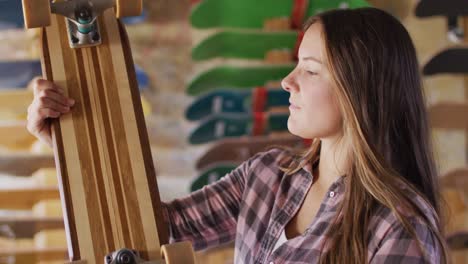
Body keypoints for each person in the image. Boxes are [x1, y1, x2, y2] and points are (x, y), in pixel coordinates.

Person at [26, 7, 449, 264]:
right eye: (296, 63)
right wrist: (71, 142)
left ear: (362, 91)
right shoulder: (267, 176)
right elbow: (157, 229)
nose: (288, 81)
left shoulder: (399, 223)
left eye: (311, 70)